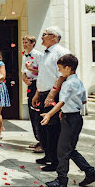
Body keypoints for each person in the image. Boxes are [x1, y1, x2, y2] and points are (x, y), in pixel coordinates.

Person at [40, 54, 95, 187]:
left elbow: (62, 102)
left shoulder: (67, 84)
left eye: (60, 68)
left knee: (62, 150)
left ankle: (61, 180)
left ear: (68, 68)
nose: (59, 71)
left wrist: (49, 114)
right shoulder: (78, 82)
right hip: (76, 118)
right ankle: (91, 172)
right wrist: (65, 110)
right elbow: (83, 100)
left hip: (70, 120)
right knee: (70, 149)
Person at [32, 26, 70, 172]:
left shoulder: (61, 52)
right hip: (43, 93)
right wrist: (37, 93)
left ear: (54, 37)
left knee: (53, 129)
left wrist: (52, 95)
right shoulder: (45, 54)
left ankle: (56, 161)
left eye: (44, 34)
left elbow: (62, 75)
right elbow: (42, 76)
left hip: (54, 94)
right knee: (41, 127)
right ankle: (48, 155)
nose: (41, 37)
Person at [21, 35, 44, 153]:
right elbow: (23, 72)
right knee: (31, 113)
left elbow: (43, 71)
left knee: (37, 113)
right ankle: (38, 139)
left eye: (26, 42)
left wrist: (31, 70)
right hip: (30, 85)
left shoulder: (39, 55)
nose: (24, 44)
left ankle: (43, 142)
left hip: (38, 85)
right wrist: (24, 79)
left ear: (33, 43)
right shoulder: (24, 56)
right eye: (23, 42)